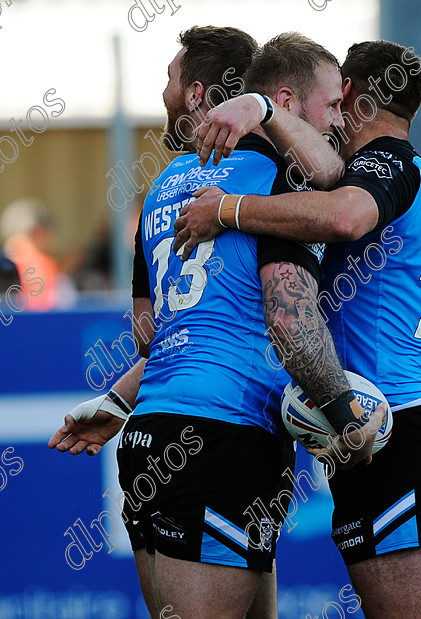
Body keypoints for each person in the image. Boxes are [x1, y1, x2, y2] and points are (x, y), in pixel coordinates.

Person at [50, 28, 383, 618]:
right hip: (227, 435)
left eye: (170, 80)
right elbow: (335, 186)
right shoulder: (282, 178)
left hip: (153, 430)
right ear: (279, 101)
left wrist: (118, 399)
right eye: (331, 105)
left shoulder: (160, 190)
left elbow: (154, 331)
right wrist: (342, 416)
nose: (338, 120)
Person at [169, 40, 421, 618]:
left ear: (359, 101)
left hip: (401, 425)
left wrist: (228, 208)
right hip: (392, 424)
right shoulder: (405, 172)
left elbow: (342, 216)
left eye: (340, 103)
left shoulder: (385, 162)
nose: (332, 117)